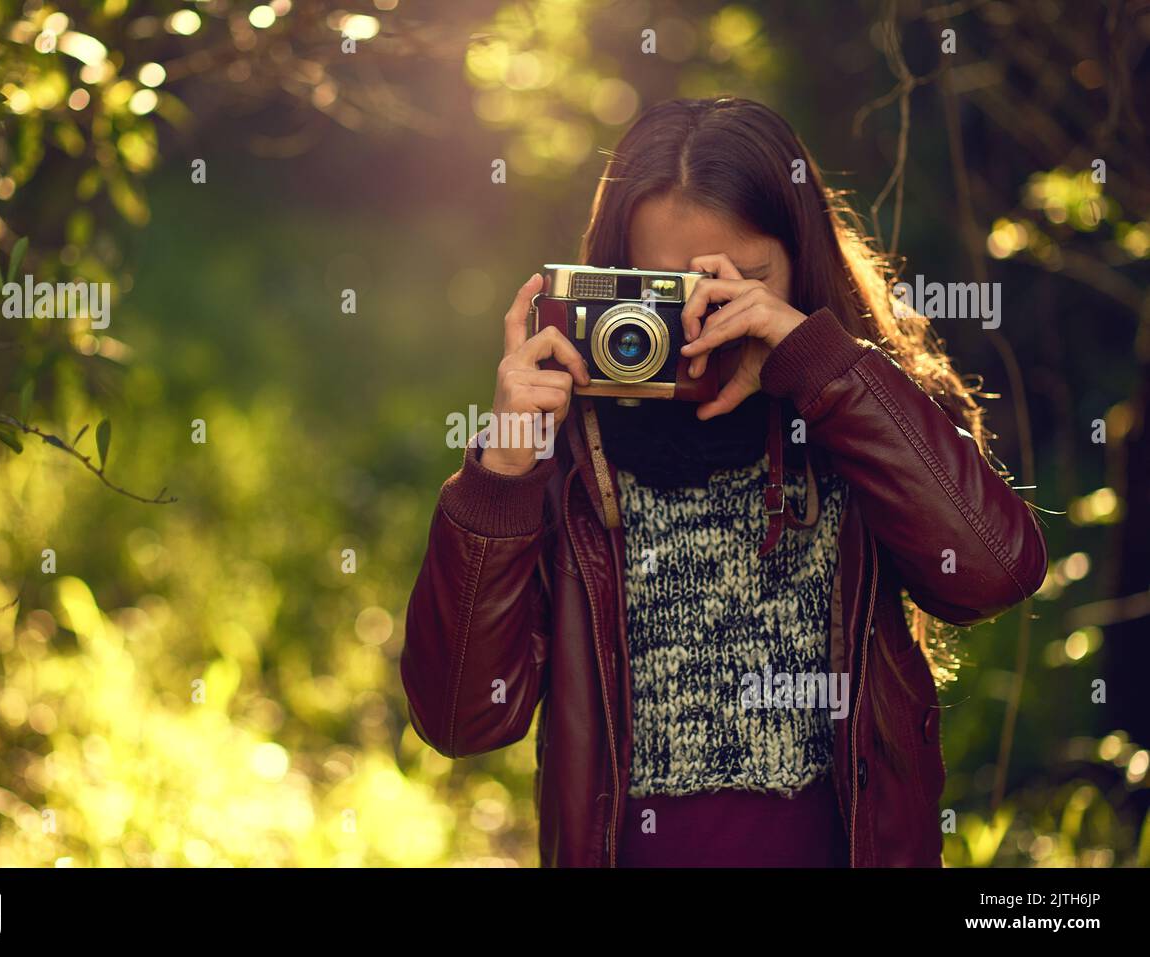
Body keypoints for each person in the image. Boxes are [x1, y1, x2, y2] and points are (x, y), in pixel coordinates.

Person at [400, 97, 1047, 867]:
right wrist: (503, 469)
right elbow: (459, 718)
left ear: (801, 261)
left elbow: (994, 573)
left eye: (740, 282)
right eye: (662, 289)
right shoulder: (568, 448)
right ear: (613, 277)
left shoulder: (860, 406)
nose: (702, 315)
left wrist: (819, 368)